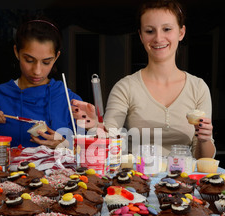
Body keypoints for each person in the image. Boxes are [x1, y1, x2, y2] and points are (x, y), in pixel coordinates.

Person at [71, 0, 215, 159]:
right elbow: (110, 136)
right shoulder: (125, 87)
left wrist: (204, 139)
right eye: (150, 31)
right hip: (138, 179)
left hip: (184, 178)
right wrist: (95, 125)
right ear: (141, 35)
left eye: (167, 29)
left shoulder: (198, 87)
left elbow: (204, 160)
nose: (158, 38)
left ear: (181, 33)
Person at [0, 18, 81, 155]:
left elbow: (95, 157)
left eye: (46, 62)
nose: (37, 71)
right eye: (29, 60)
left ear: (56, 56)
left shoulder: (71, 101)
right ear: (17, 52)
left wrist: (65, 145)